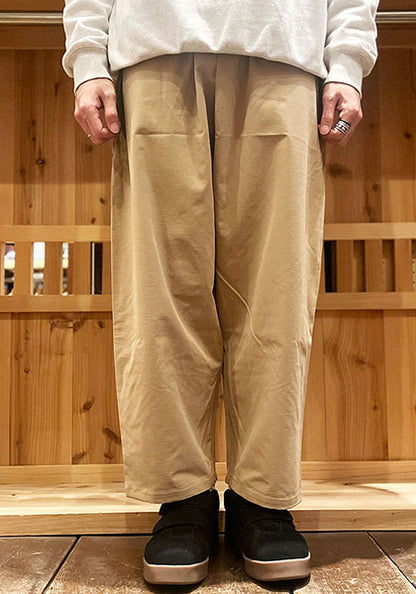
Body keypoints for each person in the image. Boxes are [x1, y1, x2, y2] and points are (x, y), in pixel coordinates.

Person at [61, 0, 379, 586]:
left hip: (284, 46)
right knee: (160, 296)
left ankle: (263, 498)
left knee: (275, 296)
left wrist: (347, 62)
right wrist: (88, 60)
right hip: (153, 47)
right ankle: (182, 498)